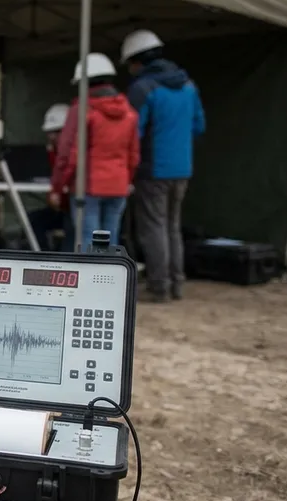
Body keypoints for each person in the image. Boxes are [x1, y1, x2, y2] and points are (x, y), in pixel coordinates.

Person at [121, 29, 207, 302]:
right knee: (172, 226)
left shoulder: (143, 89)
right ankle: (176, 284)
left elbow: (132, 132)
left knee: (153, 227)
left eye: (131, 64)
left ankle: (159, 286)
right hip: (183, 168)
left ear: (139, 61)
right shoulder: (189, 85)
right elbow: (199, 125)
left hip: (153, 169)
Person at [49, 53, 140, 252]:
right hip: (118, 186)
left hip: (87, 187)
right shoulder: (130, 113)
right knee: (111, 239)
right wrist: (126, 180)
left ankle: (87, 284)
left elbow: (68, 154)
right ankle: (111, 283)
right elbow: (133, 156)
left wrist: (57, 187)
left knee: (87, 241)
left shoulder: (81, 110)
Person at [27, 103, 72, 251]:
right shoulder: (52, 152)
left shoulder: (76, 153)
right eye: (50, 132)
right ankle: (42, 258)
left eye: (57, 132)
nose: (52, 136)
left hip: (74, 208)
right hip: (60, 207)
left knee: (72, 226)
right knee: (33, 220)